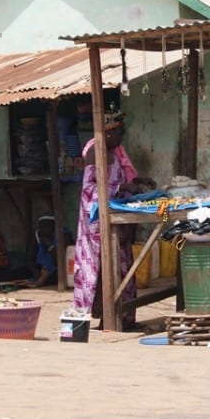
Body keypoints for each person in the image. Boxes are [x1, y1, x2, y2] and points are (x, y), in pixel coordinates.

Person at [72, 109, 156, 328]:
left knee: (121, 267)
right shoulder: (95, 152)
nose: (122, 137)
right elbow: (91, 189)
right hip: (97, 222)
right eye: (119, 133)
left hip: (113, 216)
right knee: (104, 270)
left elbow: (113, 179)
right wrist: (124, 186)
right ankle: (109, 318)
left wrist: (136, 180)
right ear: (108, 133)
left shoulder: (114, 152)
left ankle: (122, 317)